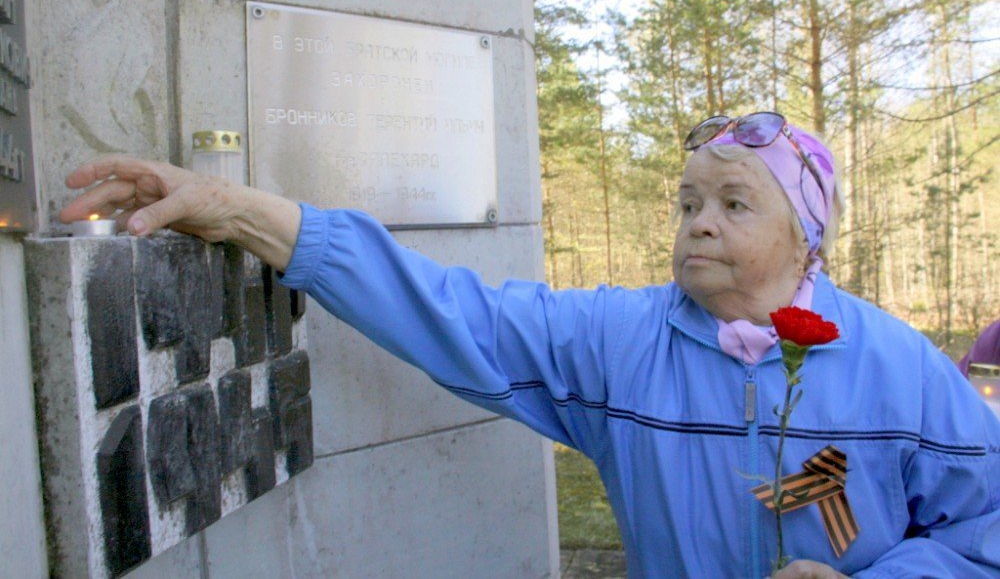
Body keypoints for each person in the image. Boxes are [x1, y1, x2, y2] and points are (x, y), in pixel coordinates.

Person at [60, 112, 1000, 578]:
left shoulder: (897, 366)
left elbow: (986, 527)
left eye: (732, 204)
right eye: (685, 204)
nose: (696, 226)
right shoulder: (620, 342)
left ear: (806, 235)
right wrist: (242, 213)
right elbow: (445, 308)